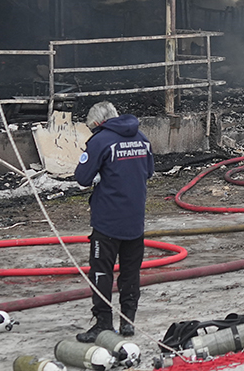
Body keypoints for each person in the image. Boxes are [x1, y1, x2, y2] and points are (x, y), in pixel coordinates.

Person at [74, 101, 154, 342]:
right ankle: (128, 322)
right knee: (131, 272)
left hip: (107, 221)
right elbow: (148, 172)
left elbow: (82, 178)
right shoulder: (142, 138)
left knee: (101, 272)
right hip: (135, 220)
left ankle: (103, 323)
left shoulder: (100, 141)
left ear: (97, 124)